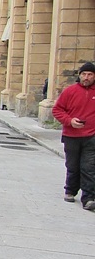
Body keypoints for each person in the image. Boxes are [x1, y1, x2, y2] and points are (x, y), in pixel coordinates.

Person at [52, 62, 95, 211]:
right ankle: (70, 189)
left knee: (89, 167)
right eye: (84, 74)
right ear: (79, 75)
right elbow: (57, 110)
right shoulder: (70, 91)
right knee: (72, 165)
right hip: (71, 135)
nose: (86, 77)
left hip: (91, 136)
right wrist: (69, 121)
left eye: (90, 75)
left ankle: (89, 198)